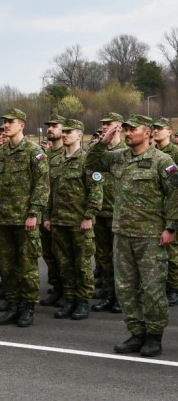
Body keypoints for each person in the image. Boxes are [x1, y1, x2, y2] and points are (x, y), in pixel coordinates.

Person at [86, 114, 178, 357]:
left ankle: (154, 337)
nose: (127, 133)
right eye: (125, 130)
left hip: (151, 237)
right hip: (122, 235)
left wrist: (171, 228)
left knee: (152, 290)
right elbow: (91, 163)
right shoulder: (119, 158)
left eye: (132, 129)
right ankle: (136, 333)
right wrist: (104, 139)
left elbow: (175, 196)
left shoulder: (162, 161)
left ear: (146, 133)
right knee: (125, 288)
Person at [0, 108, 49, 328]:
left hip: (25, 220)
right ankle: (13, 304)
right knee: (8, 266)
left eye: (10, 122)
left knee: (27, 266)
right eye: (4, 122)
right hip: (3, 219)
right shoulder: (0, 154)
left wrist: (33, 213)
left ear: (21, 125)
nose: (6, 125)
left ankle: (27, 307)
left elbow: (42, 185)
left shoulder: (34, 151)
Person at [43, 119, 102, 320]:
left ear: (79, 135)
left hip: (79, 222)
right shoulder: (57, 160)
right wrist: (48, 216)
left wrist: (88, 216)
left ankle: (82, 301)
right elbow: (50, 192)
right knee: (64, 264)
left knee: (82, 264)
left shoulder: (89, 160)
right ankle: (69, 299)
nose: (65, 134)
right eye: (64, 131)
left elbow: (96, 192)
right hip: (59, 221)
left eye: (70, 131)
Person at [91, 112, 126, 314]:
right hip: (101, 213)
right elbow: (89, 163)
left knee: (120, 259)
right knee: (103, 258)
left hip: (120, 215)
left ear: (119, 127)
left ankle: (122, 297)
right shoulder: (101, 154)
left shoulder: (126, 152)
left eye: (109, 124)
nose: (105, 127)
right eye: (103, 125)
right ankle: (109, 293)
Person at [40, 115, 67, 307]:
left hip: (64, 214)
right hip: (45, 213)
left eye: (54, 126)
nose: (50, 129)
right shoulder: (45, 157)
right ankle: (57, 288)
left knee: (64, 256)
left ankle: (69, 291)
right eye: (48, 126)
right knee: (49, 254)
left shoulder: (69, 155)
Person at [151, 116, 178, 307]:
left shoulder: (174, 153)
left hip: (171, 208)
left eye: (160, 128)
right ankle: (160, 285)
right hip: (154, 210)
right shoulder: (152, 153)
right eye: (154, 128)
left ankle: (173, 288)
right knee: (157, 251)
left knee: (173, 252)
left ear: (169, 131)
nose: (156, 131)